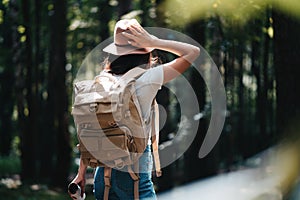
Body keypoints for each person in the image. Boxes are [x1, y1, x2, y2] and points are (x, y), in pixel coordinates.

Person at [70, 18, 200, 200]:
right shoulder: (149, 77)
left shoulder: (103, 79)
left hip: (101, 174)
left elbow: (92, 128)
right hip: (134, 172)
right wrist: (155, 42)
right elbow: (193, 52)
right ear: (145, 52)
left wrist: (81, 173)